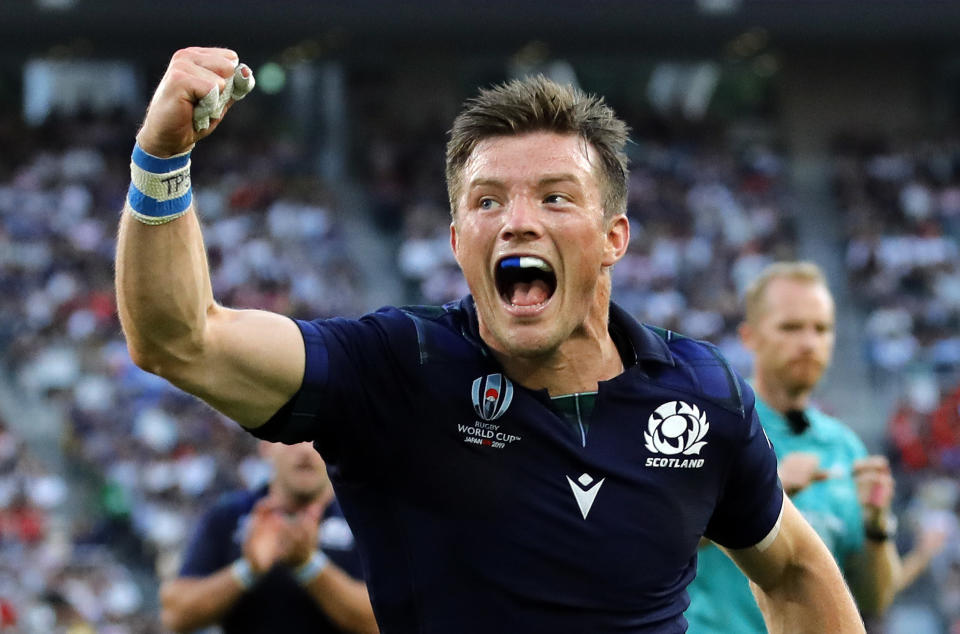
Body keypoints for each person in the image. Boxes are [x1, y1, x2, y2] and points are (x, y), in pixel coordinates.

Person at [116, 47, 865, 632]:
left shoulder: (700, 394)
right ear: (455, 239)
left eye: (554, 197)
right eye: (487, 201)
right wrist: (161, 158)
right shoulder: (396, 368)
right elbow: (181, 340)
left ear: (614, 238)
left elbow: (795, 567)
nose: (517, 220)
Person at [686, 261, 939, 632]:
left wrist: (876, 524)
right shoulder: (706, 426)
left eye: (820, 329)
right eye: (790, 327)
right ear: (749, 337)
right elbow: (662, 544)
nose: (808, 343)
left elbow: (874, 599)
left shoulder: (844, 446)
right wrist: (765, 493)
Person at [159, 441, 378, 633]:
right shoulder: (228, 515)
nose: (306, 450)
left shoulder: (364, 520)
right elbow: (176, 615)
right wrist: (247, 569)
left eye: (318, 439)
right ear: (266, 445)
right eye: (294, 437)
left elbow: (383, 623)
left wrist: (309, 565)